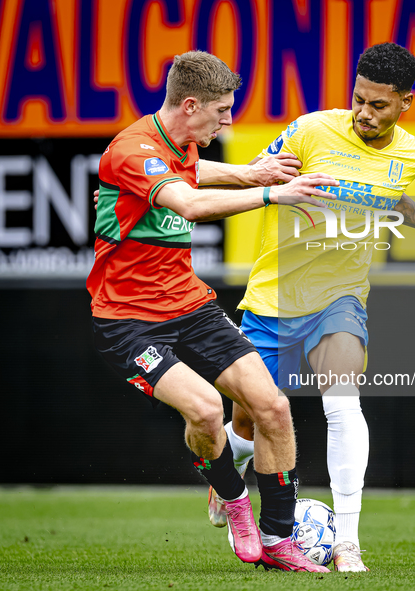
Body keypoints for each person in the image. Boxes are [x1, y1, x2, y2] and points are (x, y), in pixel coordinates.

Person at [207, 43, 415, 572]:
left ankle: (347, 541)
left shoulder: (412, 154)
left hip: (340, 297)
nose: (364, 112)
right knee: (249, 421)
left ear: (405, 103)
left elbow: (389, 199)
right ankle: (228, 474)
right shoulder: (310, 129)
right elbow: (254, 173)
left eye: (379, 105)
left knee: (342, 402)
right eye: (358, 99)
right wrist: (266, 170)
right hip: (274, 296)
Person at [86, 50, 341, 573]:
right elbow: (191, 203)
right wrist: (273, 192)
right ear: (190, 104)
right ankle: (232, 498)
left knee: (271, 407)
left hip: (189, 304)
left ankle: (279, 540)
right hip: (127, 321)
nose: (229, 120)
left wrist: (249, 174)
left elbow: (194, 168)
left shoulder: (176, 142)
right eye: (222, 111)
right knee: (204, 409)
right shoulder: (133, 150)